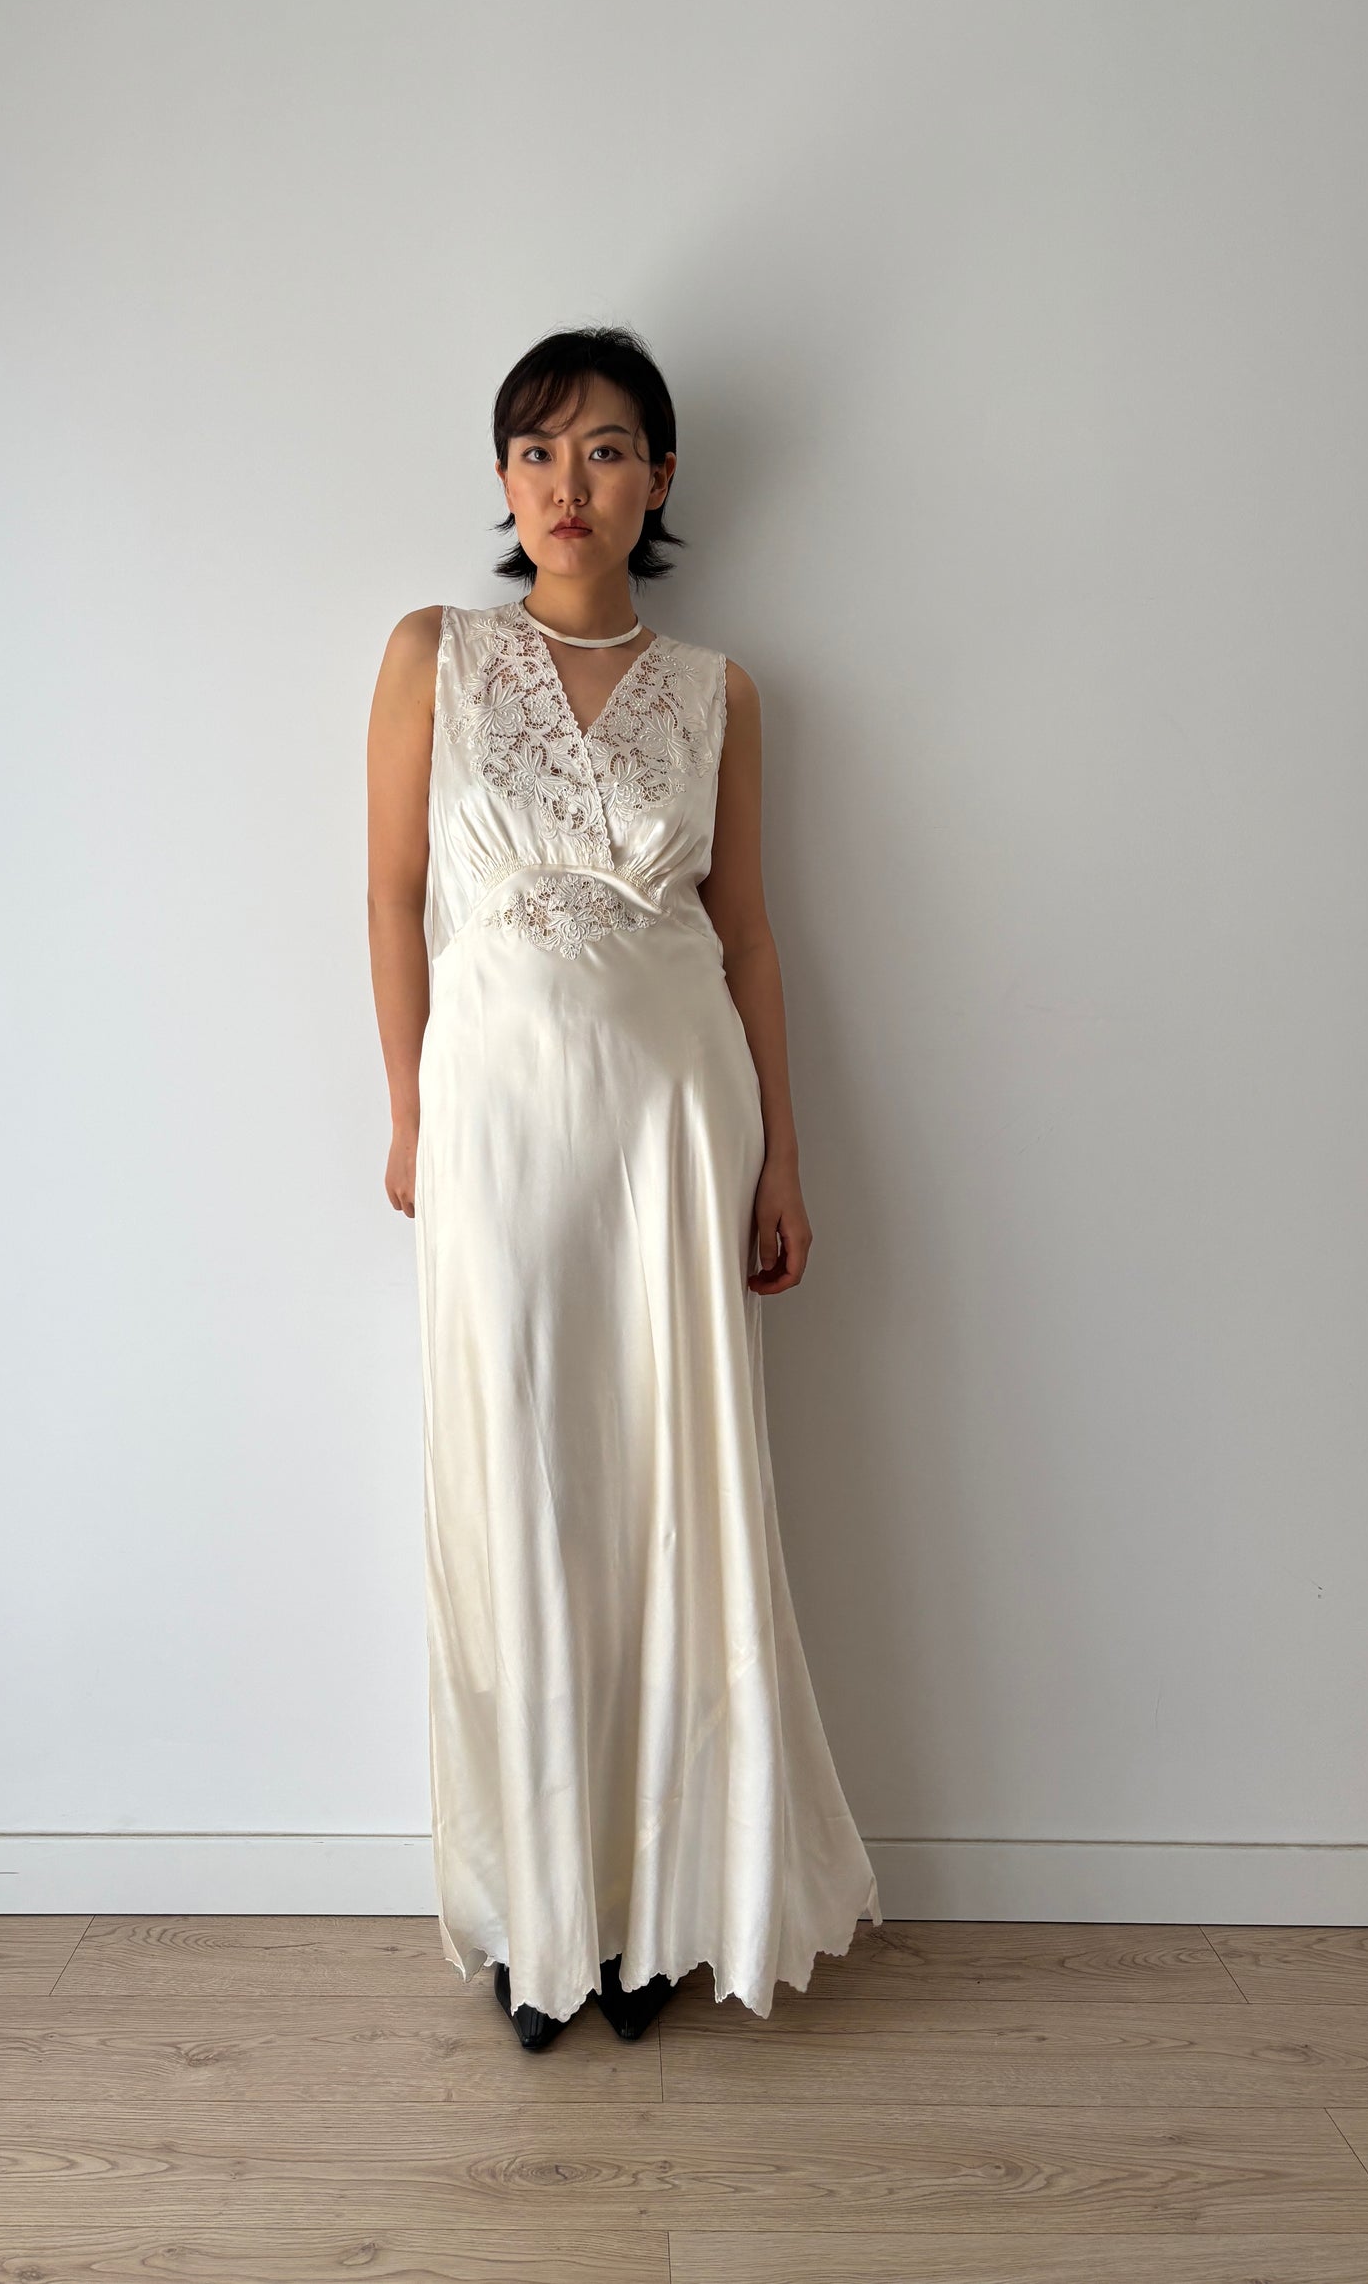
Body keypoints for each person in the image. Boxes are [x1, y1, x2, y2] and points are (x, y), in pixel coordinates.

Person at [365, 325, 880, 2051]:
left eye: (600, 450)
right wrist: (405, 1110)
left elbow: (751, 939)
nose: (563, 483)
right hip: (497, 1116)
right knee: (520, 1478)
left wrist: (781, 1152)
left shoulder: (720, 692)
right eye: (533, 450)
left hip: (676, 1121)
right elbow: (387, 896)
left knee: (669, 1485)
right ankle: (539, 1915)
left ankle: (661, 1904)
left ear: (658, 477)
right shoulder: (434, 653)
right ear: (501, 478)